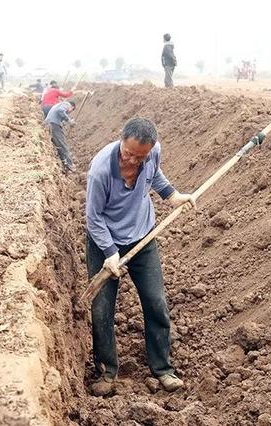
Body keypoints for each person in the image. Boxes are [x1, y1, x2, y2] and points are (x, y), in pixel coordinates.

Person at [85, 117, 195, 396]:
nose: (133, 161)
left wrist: (172, 196)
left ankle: (163, 369)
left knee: (156, 301)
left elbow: (154, 173)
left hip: (142, 238)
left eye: (140, 156)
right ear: (120, 140)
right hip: (105, 243)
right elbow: (93, 217)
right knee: (102, 309)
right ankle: (107, 371)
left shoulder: (152, 153)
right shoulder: (101, 171)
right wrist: (110, 253)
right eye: (128, 153)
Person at [45, 101, 76, 171]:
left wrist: (64, 123)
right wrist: (69, 120)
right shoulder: (67, 104)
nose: (69, 112)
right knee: (63, 145)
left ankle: (63, 163)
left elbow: (58, 113)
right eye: (71, 111)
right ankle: (69, 165)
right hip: (53, 124)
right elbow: (60, 111)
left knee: (58, 146)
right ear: (72, 107)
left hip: (49, 123)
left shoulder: (59, 104)